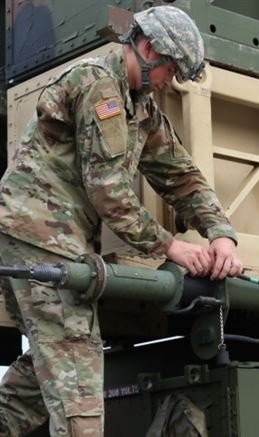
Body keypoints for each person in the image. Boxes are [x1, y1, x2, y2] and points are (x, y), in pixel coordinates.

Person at [0, 5, 242, 436]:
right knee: (77, 371)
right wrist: (172, 247)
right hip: (42, 238)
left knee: (43, 372)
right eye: (170, 70)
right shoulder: (101, 87)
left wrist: (221, 234)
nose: (170, 83)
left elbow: (179, 173)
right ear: (148, 48)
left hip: (44, 239)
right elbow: (107, 191)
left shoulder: (140, 106)